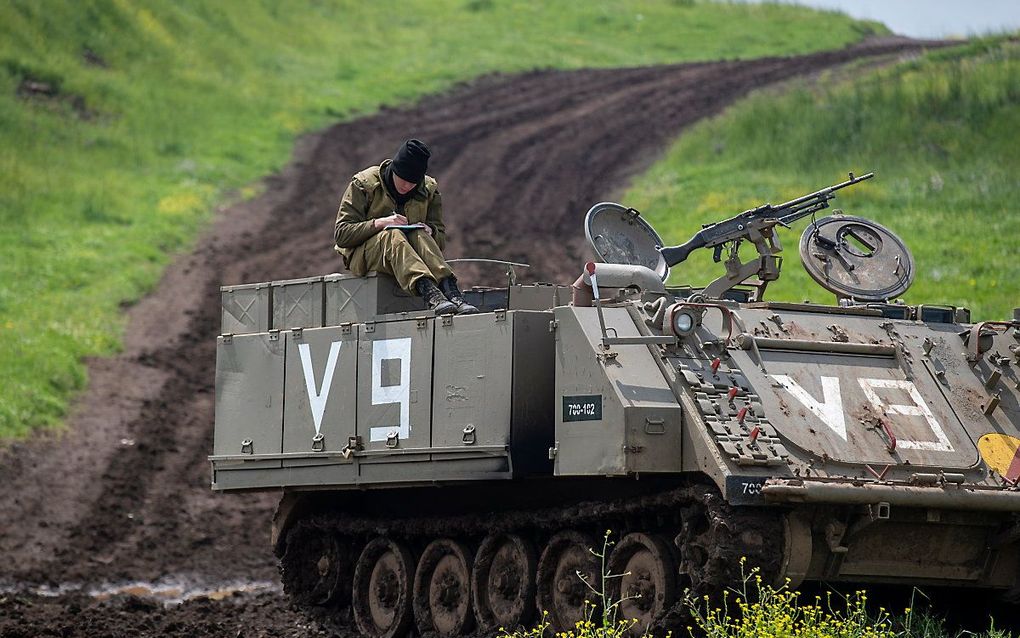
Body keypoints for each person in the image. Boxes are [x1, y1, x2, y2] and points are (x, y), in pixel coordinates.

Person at [333, 139, 478, 315]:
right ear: (394, 170)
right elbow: (342, 235)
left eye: (413, 183)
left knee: (419, 232)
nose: (407, 186)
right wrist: (381, 223)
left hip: (407, 254)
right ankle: (429, 292)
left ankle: (451, 292)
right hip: (363, 255)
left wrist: (430, 231)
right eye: (403, 180)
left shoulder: (428, 190)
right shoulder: (364, 184)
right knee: (393, 235)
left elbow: (439, 240)